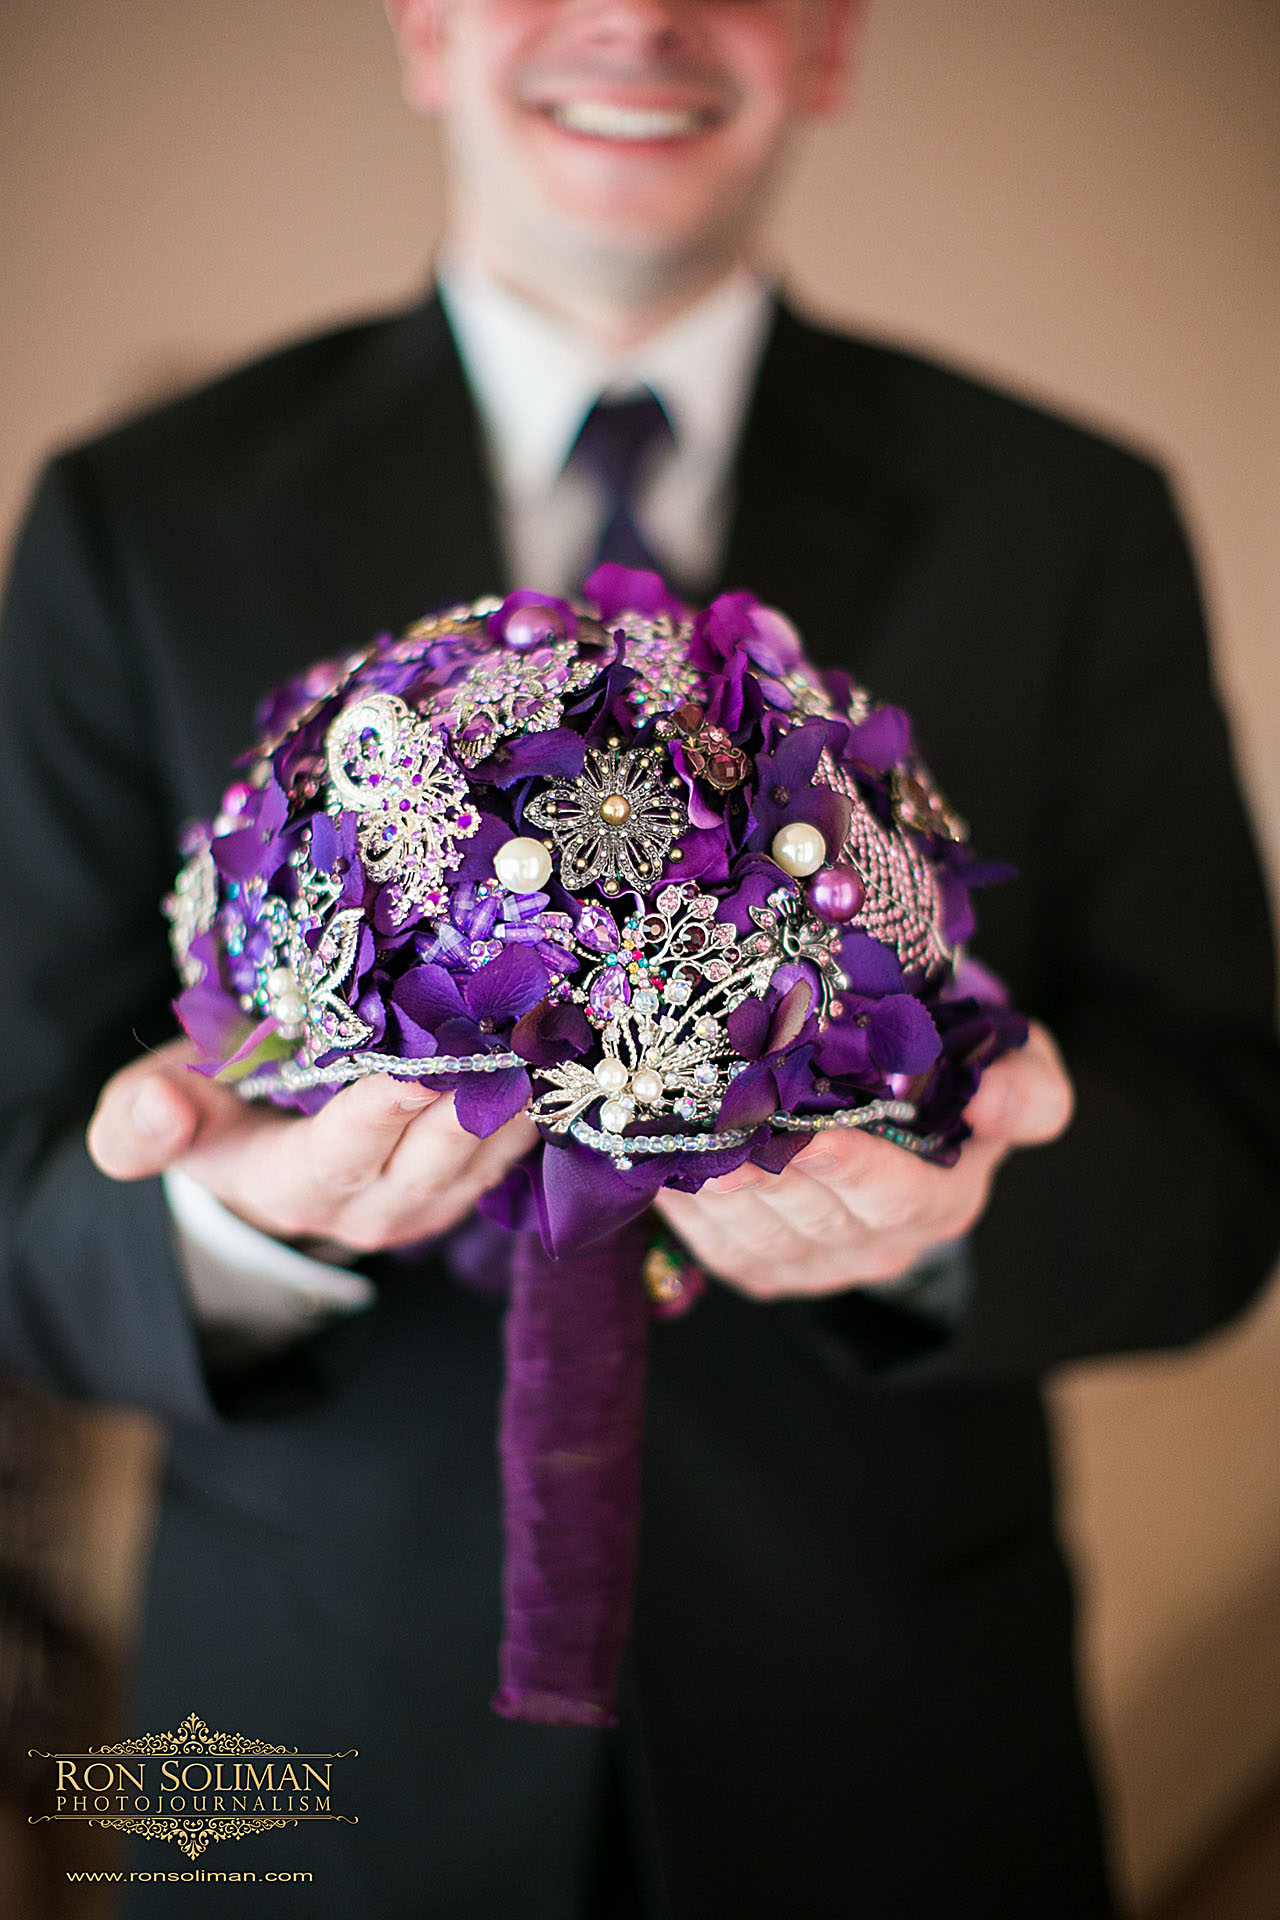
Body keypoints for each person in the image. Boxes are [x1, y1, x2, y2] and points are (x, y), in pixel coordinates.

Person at [1, 0, 1277, 1913]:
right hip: (313, 1764)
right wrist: (244, 1227)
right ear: (422, 27)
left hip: (891, 1760)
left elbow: (1225, 1162)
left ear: (831, 43)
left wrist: (956, 1231)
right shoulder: (138, 514)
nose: (639, 14)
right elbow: (20, 1196)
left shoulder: (1071, 514)